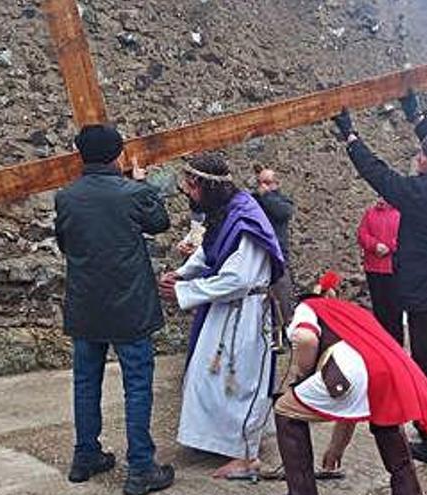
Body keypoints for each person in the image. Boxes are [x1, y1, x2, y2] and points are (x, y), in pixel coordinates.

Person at [332, 93, 427, 471]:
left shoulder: (422, 194)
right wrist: (416, 115)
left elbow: (378, 173)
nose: (419, 157)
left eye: (424, 155)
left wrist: (351, 137)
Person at [272, 272, 427, 495]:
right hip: (385, 371)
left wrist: (301, 374)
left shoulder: (309, 307)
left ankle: (302, 491)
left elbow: (305, 338)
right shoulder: (353, 312)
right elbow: (352, 408)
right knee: (385, 421)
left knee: (285, 410)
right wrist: (336, 448)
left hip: (347, 373)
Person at [54, 125, 175, 495]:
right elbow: (160, 222)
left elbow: (64, 242)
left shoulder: (66, 197)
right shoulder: (133, 193)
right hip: (129, 305)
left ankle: (84, 455)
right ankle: (140, 467)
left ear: (81, 156)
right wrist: (143, 184)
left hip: (86, 303)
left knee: (85, 382)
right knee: (137, 385)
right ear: (118, 155)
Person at [159, 153, 285, 478]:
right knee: (205, 378)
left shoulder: (246, 218)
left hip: (246, 314)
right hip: (225, 310)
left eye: (191, 184)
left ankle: (247, 456)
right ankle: (218, 439)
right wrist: (184, 273)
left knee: (241, 382)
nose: (187, 190)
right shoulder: (225, 210)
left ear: (205, 185)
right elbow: (211, 247)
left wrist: (185, 292)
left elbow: (238, 278)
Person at [357, 198, 404, 344]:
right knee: (379, 308)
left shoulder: (400, 214)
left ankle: (396, 343)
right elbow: (362, 234)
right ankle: (381, 342)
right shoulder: (370, 213)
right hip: (374, 267)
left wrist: (389, 246)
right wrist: (374, 245)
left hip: (393, 268)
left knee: (394, 309)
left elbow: (404, 237)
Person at [253, 168, 296, 326]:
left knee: (281, 294)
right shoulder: (254, 201)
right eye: (260, 183)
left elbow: (283, 213)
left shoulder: (282, 201)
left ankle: (283, 330)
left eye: (267, 183)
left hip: (277, 254)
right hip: (257, 254)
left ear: (276, 184)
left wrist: (267, 196)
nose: (263, 186)